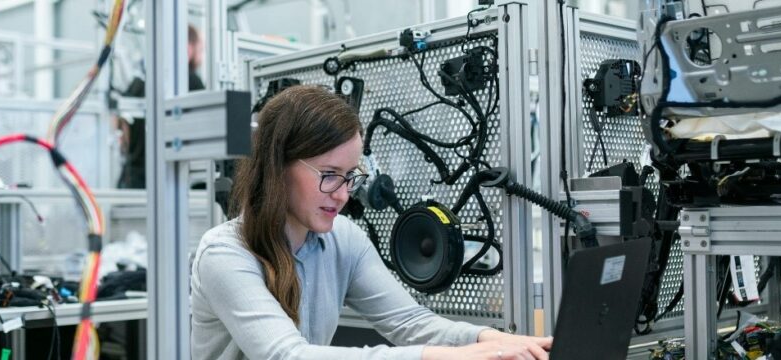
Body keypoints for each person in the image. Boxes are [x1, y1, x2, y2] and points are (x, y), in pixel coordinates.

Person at [190, 85, 553, 360]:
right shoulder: (225, 254)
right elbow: (288, 355)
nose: (343, 194)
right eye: (329, 174)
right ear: (278, 167)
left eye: (351, 176)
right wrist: (434, 356)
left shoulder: (342, 239)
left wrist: (487, 339)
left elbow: (408, 322)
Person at [115, 24, 206, 189]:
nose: (202, 55)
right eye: (201, 48)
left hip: (132, 181)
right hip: (168, 182)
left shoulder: (140, 82)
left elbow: (121, 128)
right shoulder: (190, 80)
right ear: (188, 47)